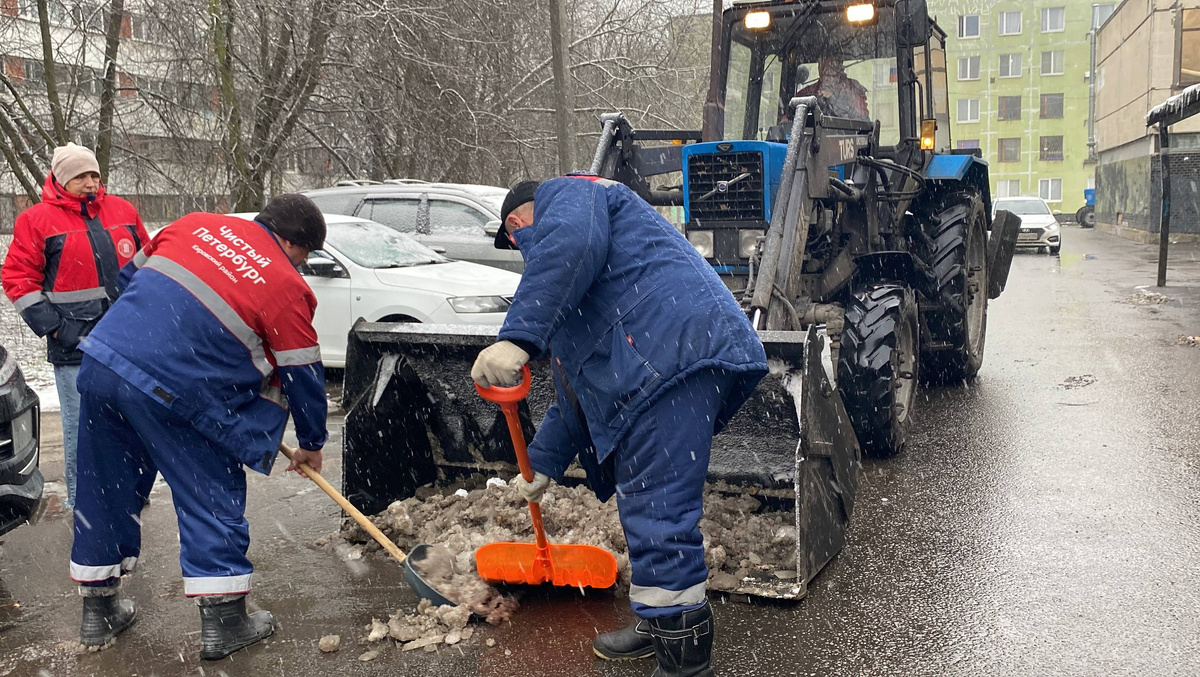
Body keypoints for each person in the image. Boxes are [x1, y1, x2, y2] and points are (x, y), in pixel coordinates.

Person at [472, 178, 768, 676]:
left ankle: (686, 666)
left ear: (517, 224)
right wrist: (543, 461)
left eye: (521, 241)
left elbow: (568, 244)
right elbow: (575, 381)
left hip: (671, 357)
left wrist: (518, 336)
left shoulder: (569, 196)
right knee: (644, 507)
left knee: (660, 516)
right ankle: (660, 624)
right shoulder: (584, 280)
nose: (529, 254)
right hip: (653, 363)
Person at [67, 195, 329, 659]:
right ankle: (225, 620)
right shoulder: (286, 285)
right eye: (305, 254)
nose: (304, 265)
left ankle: (99, 611)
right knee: (208, 486)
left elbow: (128, 282)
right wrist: (311, 441)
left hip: (105, 364)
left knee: (104, 485)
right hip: (180, 390)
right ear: (291, 242)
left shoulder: (193, 225)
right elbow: (302, 371)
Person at [1, 143, 148, 510]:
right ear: (62, 179)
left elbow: (149, 263)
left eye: (94, 174)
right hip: (74, 346)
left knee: (130, 421)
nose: (89, 182)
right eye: (81, 176)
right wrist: (55, 329)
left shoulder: (123, 210)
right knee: (83, 428)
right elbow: (18, 278)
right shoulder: (36, 220)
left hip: (126, 340)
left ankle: (129, 492)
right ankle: (86, 504)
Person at [797, 57, 869, 120]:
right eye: (823, 65)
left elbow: (863, 122)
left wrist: (834, 99)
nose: (826, 70)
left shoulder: (852, 88)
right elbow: (790, 112)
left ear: (840, 68)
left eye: (831, 66)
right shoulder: (808, 91)